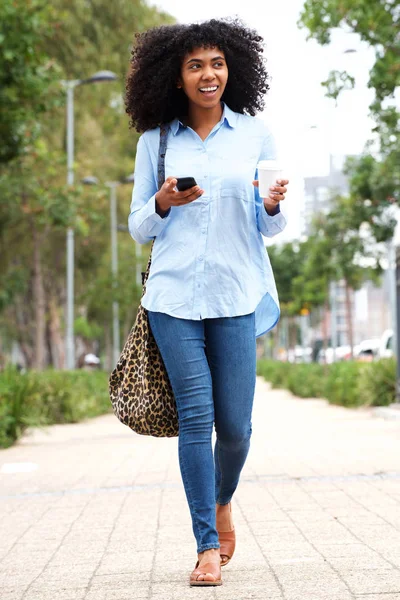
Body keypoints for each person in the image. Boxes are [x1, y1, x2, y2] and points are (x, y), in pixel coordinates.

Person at [126, 18, 289, 587]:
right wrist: (163, 201)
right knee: (197, 421)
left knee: (237, 427)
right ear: (175, 77)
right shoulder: (157, 141)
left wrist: (269, 203)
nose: (208, 74)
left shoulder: (254, 136)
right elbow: (137, 225)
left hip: (236, 291)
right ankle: (206, 548)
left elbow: (271, 227)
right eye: (195, 65)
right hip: (172, 297)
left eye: (216, 63)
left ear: (231, 70)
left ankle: (222, 500)